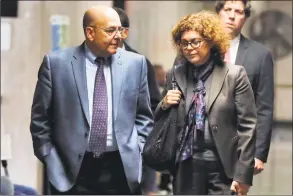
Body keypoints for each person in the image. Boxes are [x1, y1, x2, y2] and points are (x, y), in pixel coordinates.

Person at [30, 5, 153, 195]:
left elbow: (144, 116)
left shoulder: (136, 64)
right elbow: (40, 120)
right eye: (111, 30)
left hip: (121, 170)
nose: (118, 36)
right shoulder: (56, 64)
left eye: (120, 30)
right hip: (71, 172)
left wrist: (139, 150)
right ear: (90, 32)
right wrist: (50, 158)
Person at [154, 11, 256, 195]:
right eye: (184, 43)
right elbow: (159, 120)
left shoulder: (234, 75)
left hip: (222, 166)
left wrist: (243, 175)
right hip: (185, 165)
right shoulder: (175, 74)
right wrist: (164, 103)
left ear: (210, 41)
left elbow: (247, 127)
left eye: (195, 41)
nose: (189, 48)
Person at [215, 0, 274, 176]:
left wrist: (259, 153)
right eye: (227, 10)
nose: (232, 16)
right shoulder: (200, 47)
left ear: (245, 18)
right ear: (218, 12)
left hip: (238, 146)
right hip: (199, 145)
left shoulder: (260, 55)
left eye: (239, 12)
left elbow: (264, 108)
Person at [112, 7, 160, 195]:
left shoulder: (140, 63)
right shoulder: (89, 60)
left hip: (131, 153)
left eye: (112, 28)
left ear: (124, 32)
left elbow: (153, 106)